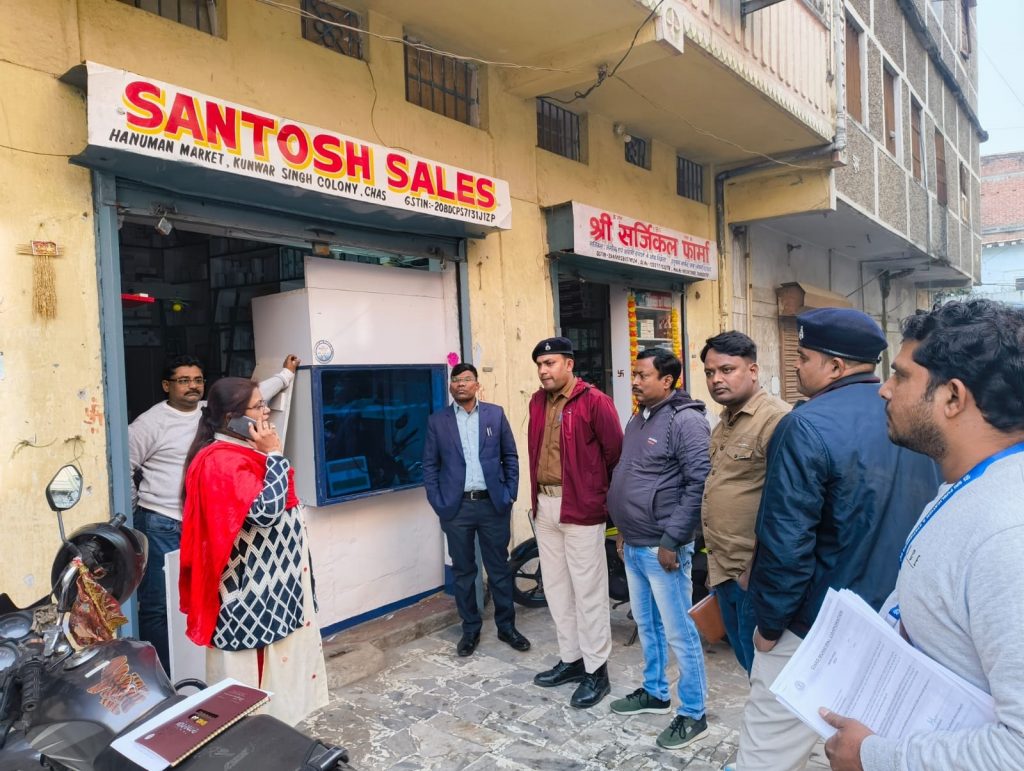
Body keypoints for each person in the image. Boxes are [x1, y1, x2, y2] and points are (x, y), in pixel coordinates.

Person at [821, 299, 1024, 771]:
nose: (884, 390)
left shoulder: (1007, 536)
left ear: (953, 397)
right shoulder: (967, 485)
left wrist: (872, 756)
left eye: (901, 376)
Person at [735, 308, 941, 771]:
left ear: (834, 366)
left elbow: (786, 544)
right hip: (890, 626)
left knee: (766, 756)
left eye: (803, 357)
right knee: (848, 752)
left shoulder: (805, 424)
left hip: (814, 629)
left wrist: (769, 628)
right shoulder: (915, 417)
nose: (795, 366)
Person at [129, 353, 299, 673]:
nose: (192, 386)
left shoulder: (212, 412)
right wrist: (140, 507)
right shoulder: (149, 424)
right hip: (163, 522)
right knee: (159, 605)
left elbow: (253, 396)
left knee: (202, 595)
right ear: (166, 385)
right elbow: (125, 466)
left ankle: (194, 672)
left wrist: (286, 376)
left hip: (204, 521)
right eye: (183, 380)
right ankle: (163, 675)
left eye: (197, 380)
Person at [178, 377, 328, 726]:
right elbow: (264, 512)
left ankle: (278, 736)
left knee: (278, 687)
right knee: (252, 690)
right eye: (259, 406)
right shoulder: (221, 461)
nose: (267, 412)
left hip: (274, 590)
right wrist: (274, 454)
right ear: (232, 417)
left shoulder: (242, 452)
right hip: (250, 597)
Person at [606, 349, 711, 749]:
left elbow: (699, 483)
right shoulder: (639, 418)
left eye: (642, 375)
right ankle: (654, 692)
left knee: (680, 633)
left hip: (663, 548)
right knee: (647, 625)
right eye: (634, 374)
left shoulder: (686, 421)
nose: (634, 381)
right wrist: (622, 530)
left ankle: (694, 712)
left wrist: (673, 539)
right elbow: (630, 474)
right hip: (634, 543)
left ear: (667, 381)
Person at [528, 336, 623, 709]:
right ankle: (572, 660)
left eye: (550, 363)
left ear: (569, 364)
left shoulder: (594, 401)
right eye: (540, 364)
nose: (543, 370)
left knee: (588, 591)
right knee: (556, 588)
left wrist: (600, 499)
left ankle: (597, 671)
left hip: (581, 508)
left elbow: (615, 454)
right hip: (545, 506)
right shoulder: (538, 402)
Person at [421, 363, 529, 657]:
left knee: (499, 568)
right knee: (464, 571)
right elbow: (429, 466)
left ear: (477, 384)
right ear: (451, 386)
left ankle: (507, 627)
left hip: (492, 505)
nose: (461, 384)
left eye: (467, 379)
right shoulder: (438, 421)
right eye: (456, 380)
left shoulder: (495, 414)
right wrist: (438, 501)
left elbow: (510, 456)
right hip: (456, 509)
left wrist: (509, 494)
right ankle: (470, 629)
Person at [700, 332, 790, 675]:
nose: (716, 379)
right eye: (710, 372)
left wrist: (753, 570)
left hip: (753, 575)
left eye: (727, 370)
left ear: (752, 371)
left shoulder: (777, 419)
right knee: (747, 664)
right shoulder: (725, 421)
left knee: (765, 673)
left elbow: (787, 506)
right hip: (724, 569)